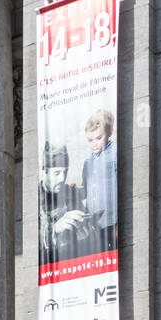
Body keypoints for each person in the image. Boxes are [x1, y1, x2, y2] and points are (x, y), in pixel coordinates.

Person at [38, 140, 102, 267]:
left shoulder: (71, 194)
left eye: (65, 172)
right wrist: (54, 229)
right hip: (49, 272)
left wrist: (87, 230)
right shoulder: (34, 199)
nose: (62, 178)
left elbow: (90, 237)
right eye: (56, 173)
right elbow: (29, 247)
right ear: (44, 171)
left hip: (75, 266)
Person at [80, 110, 118, 254]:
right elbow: (86, 189)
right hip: (95, 223)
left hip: (112, 219)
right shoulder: (88, 162)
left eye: (99, 138)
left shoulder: (114, 154)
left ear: (110, 133)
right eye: (90, 140)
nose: (94, 144)